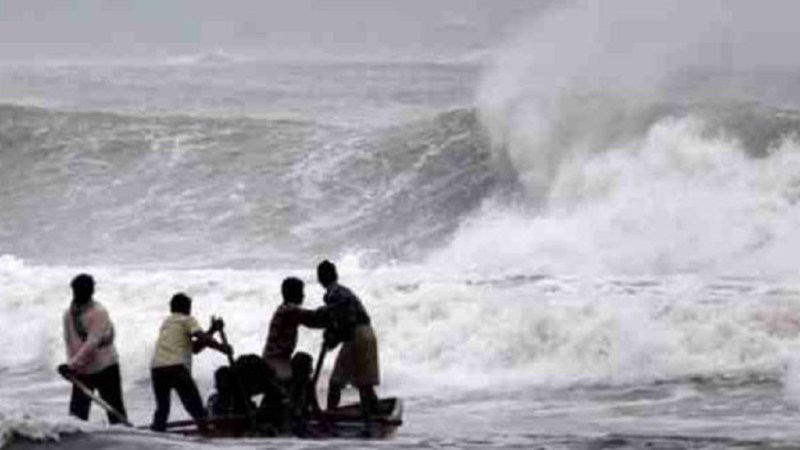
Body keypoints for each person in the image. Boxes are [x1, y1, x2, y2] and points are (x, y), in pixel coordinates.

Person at [150, 293, 230, 432]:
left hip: (157, 369)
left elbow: (195, 348)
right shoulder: (187, 319)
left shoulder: (167, 323)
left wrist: (212, 330)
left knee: (162, 409)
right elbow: (201, 337)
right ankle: (208, 435)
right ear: (187, 308)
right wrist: (222, 348)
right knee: (196, 409)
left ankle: (156, 433)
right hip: (176, 368)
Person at [316, 260, 380, 435]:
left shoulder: (333, 294)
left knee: (336, 382)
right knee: (364, 384)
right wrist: (334, 336)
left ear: (320, 279)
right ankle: (372, 422)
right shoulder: (343, 291)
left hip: (356, 336)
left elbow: (346, 321)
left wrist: (333, 338)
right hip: (367, 334)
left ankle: (328, 423)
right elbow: (343, 319)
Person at [59, 274, 128, 424]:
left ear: (92, 291)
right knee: (76, 418)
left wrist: (71, 365)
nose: (81, 293)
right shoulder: (68, 314)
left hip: (106, 368)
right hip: (82, 370)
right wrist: (72, 366)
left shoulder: (99, 312)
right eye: (77, 290)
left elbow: (92, 343)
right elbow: (69, 342)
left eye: (85, 290)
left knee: (116, 413)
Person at [262, 277, 326, 383]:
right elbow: (314, 320)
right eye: (301, 292)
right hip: (276, 361)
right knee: (300, 376)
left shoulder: (284, 308)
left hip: (275, 359)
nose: (303, 295)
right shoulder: (290, 310)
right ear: (294, 293)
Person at [288, 352, 324, 437]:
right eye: (309, 367)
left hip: (301, 419)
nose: (312, 370)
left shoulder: (308, 384)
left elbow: (315, 407)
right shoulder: (290, 385)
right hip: (292, 420)